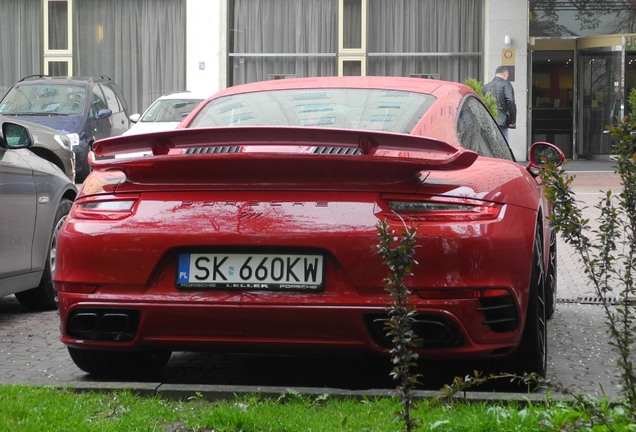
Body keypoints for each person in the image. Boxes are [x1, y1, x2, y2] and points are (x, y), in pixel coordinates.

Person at [483, 65, 517, 141]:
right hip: (502, 121)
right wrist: (512, 121)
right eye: (507, 76)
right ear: (505, 74)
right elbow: (510, 101)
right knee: (503, 147)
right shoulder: (506, 84)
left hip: (489, 121)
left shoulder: (485, 87)